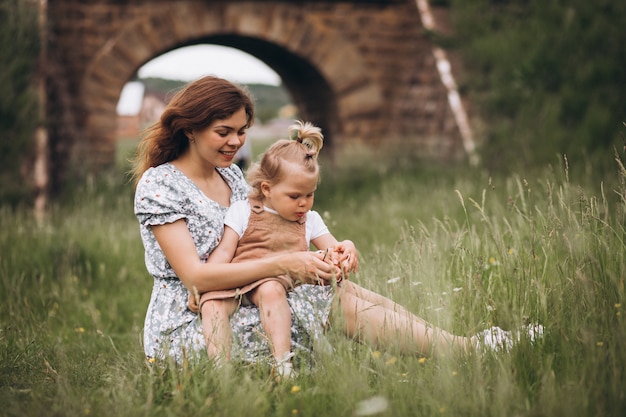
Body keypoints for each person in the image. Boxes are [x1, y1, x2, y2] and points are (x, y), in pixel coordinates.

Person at [132, 75, 540, 369]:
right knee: (329, 300)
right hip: (194, 319)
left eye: (241, 131)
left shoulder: (232, 176)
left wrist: (329, 251)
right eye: (224, 132)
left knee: (344, 285)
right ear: (188, 129)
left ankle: (466, 346)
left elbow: (263, 232)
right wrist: (286, 265)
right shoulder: (160, 184)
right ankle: (469, 352)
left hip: (247, 290)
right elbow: (196, 278)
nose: (236, 142)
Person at [187, 120, 358, 378]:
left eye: (309, 195)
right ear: (267, 188)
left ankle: (282, 363)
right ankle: (220, 371)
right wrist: (203, 286)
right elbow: (224, 252)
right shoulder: (243, 211)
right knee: (212, 306)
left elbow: (332, 249)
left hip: (277, 282)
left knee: (271, 289)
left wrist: (346, 248)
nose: (303, 203)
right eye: (294, 196)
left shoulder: (309, 220)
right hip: (240, 277)